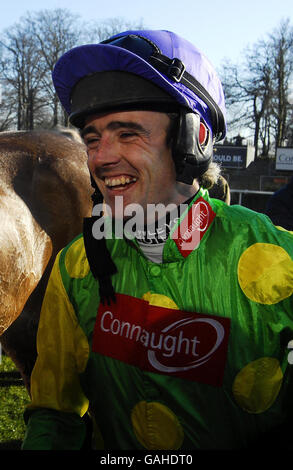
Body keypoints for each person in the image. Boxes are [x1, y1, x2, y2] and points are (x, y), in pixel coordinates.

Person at [22, 30, 293, 450]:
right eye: (92, 138)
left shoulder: (283, 260)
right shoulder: (76, 266)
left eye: (127, 133)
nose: (100, 157)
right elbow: (55, 415)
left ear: (194, 139)